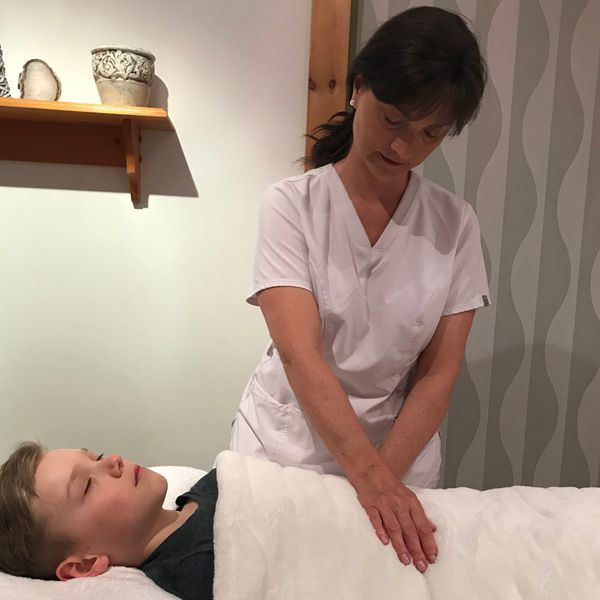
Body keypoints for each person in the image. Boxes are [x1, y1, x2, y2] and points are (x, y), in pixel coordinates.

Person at [230, 5, 489, 574]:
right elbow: (300, 356)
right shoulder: (291, 206)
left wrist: (381, 482)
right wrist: (369, 481)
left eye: (430, 134)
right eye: (393, 120)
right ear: (358, 88)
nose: (405, 148)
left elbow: (437, 375)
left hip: (397, 458)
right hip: (288, 447)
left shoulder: (456, 225)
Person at [0, 442, 216, 600]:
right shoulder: (200, 571)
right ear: (83, 565)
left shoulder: (209, 484)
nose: (114, 460)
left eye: (97, 458)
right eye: (87, 485)